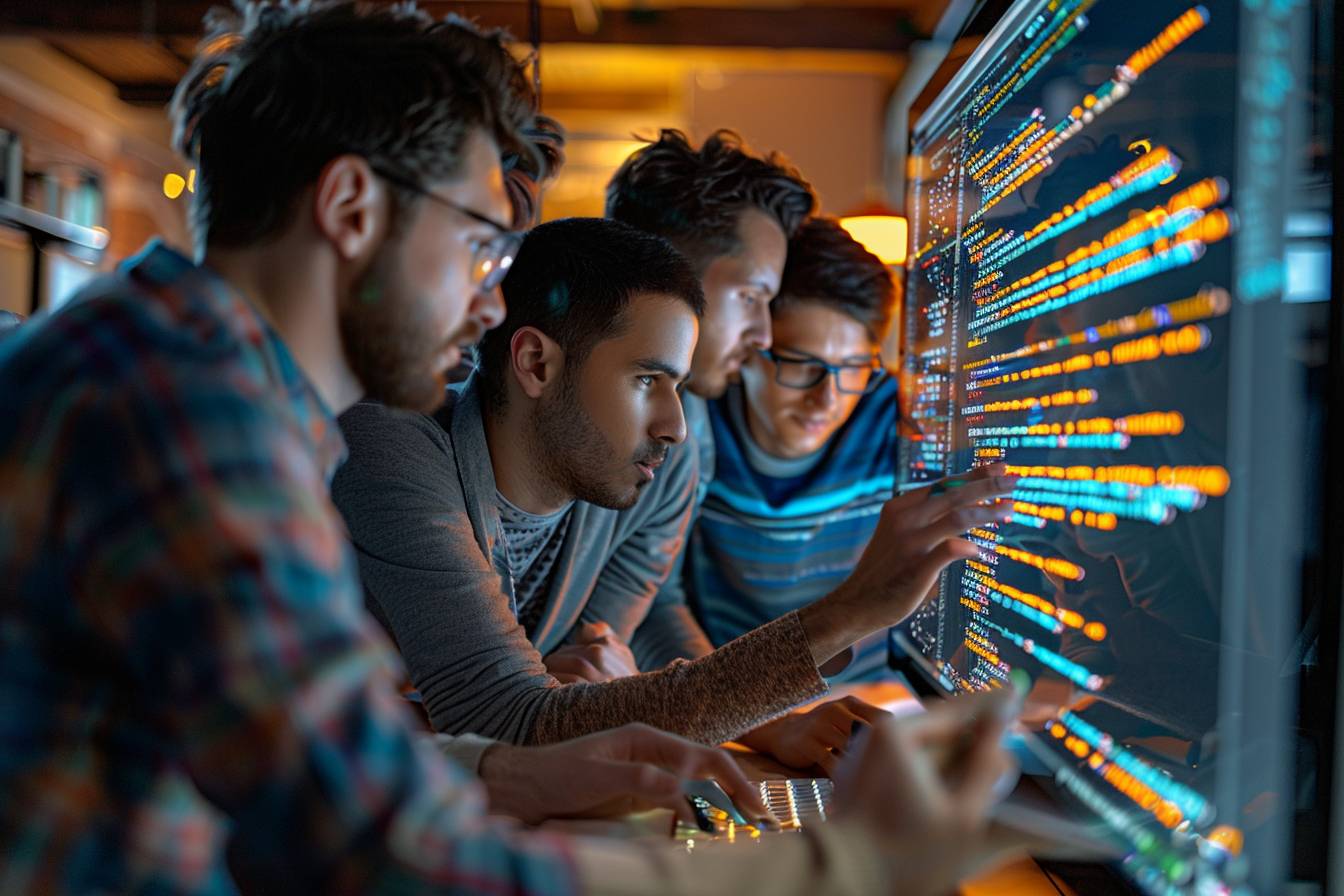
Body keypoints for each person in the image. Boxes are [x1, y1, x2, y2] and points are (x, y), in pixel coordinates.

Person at [333, 213, 1018, 773]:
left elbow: (589, 693)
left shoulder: (644, 474)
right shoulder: (393, 447)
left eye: (679, 386)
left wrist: (766, 722)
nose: (677, 426)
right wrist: (850, 610)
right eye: (646, 381)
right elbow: (513, 723)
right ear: (536, 363)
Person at [686, 216, 901, 682]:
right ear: (750, 348)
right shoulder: (697, 426)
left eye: (853, 367)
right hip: (731, 695)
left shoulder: (897, 419)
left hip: (872, 697)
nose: (827, 399)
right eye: (802, 365)